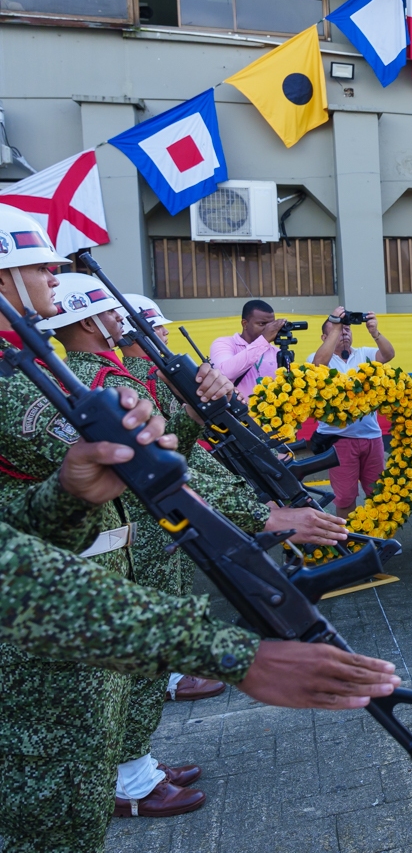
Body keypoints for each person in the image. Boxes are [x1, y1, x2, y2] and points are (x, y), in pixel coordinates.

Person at [42, 274, 351, 822]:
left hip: (144, 536)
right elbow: (159, 470)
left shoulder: (116, 375)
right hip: (127, 541)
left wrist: (189, 416)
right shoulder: (90, 382)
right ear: (89, 319)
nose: (131, 327)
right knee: (132, 671)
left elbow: (179, 455)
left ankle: (136, 766)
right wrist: (259, 512)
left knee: (145, 668)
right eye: (121, 318)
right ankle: (128, 780)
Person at [311, 306, 395, 518]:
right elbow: (317, 365)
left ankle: (378, 541)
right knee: (346, 497)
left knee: (378, 494)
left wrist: (375, 333)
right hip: (339, 440)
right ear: (325, 336)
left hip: (371, 438)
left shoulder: (364, 354)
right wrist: (336, 330)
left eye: (347, 329)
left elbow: (388, 354)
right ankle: (348, 544)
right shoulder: (320, 357)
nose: (344, 332)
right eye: (339, 329)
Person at [210, 299, 286, 399]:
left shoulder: (277, 352)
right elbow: (225, 373)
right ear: (245, 324)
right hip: (237, 413)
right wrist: (263, 340)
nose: (269, 329)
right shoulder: (224, 343)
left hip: (269, 413)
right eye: (262, 324)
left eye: (271, 325)